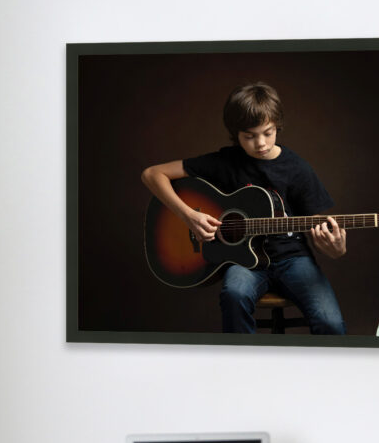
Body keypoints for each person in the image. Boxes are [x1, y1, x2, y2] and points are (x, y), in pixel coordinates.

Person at [141, 81, 347, 335]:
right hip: (244, 263)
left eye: (268, 132)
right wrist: (189, 216)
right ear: (236, 134)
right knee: (234, 294)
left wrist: (335, 248)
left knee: (331, 323)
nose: (260, 143)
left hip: (293, 259)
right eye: (249, 136)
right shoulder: (225, 162)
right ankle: (243, 367)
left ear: (277, 126)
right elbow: (152, 174)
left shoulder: (297, 169)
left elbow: (321, 233)